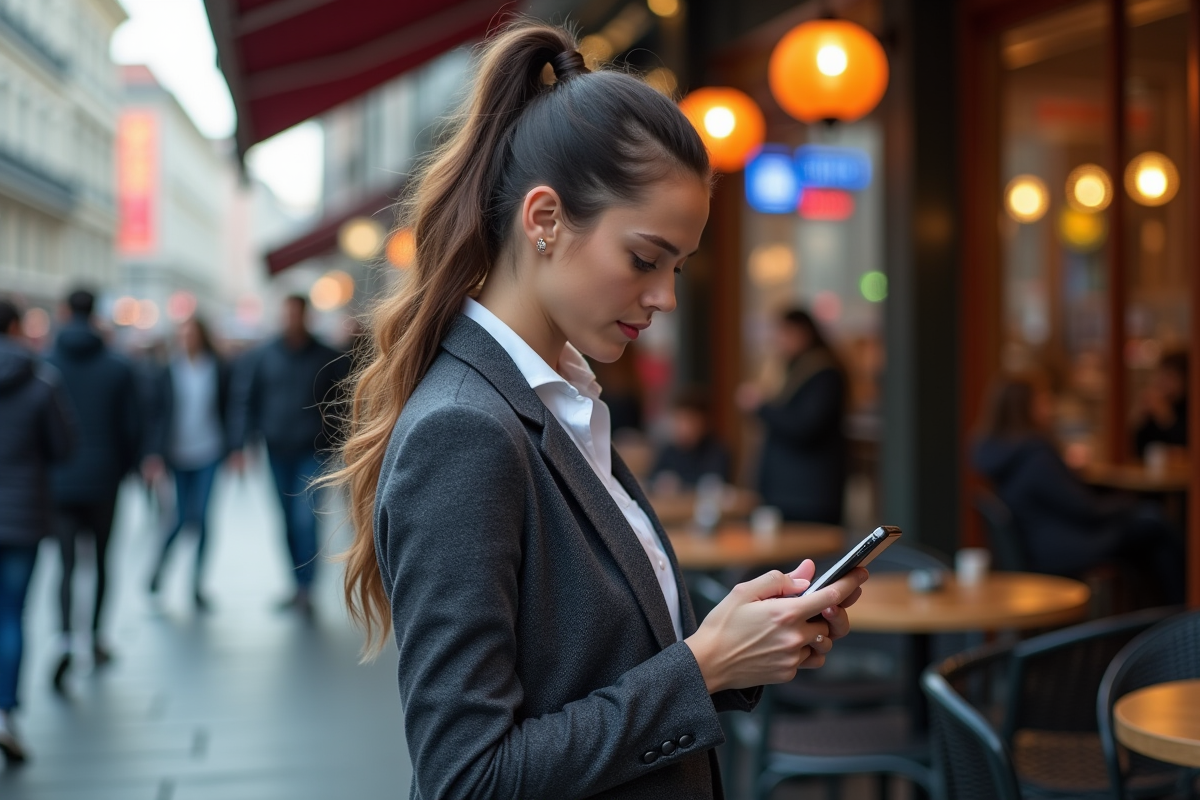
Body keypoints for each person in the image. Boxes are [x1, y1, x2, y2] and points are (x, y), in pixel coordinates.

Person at [328, 23, 868, 797]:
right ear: (544, 219)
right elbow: (468, 777)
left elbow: (595, 668)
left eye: (676, 267)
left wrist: (737, 645)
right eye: (645, 260)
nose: (664, 298)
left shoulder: (562, 400)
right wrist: (704, 663)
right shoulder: (467, 428)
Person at [973, 375, 1184, 602]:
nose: (1049, 405)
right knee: (1153, 520)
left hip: (1039, 544)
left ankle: (1156, 617)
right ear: (1025, 407)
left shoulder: (1004, 453)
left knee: (1146, 527)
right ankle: (1179, 613)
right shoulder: (1035, 455)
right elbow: (1086, 511)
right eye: (1043, 399)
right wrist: (1129, 501)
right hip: (1064, 547)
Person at [228, 295, 349, 616]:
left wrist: (337, 439)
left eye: (297, 314)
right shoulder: (264, 357)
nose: (291, 319)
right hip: (277, 450)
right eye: (287, 313)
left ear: (306, 316)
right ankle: (295, 584)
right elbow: (246, 401)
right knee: (285, 520)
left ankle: (307, 588)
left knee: (304, 518)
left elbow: (345, 401)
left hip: (314, 451)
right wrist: (240, 445)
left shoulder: (326, 357)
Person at [45, 289, 140, 690]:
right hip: (104, 479)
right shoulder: (118, 366)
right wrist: (126, 467)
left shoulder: (46, 363)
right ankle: (97, 637)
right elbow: (132, 426)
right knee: (101, 561)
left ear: (66, 312)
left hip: (60, 482)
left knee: (65, 566)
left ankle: (66, 636)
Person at [0, 300, 74, 762]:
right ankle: (5, 713)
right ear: (14, 327)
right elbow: (64, 445)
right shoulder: (40, 380)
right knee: (11, 614)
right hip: (23, 514)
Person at [143, 317, 232, 610]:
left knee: (203, 518)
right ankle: (159, 569)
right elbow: (156, 414)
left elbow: (228, 406)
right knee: (180, 518)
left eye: (191, 334)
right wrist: (153, 454)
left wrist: (234, 447)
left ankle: (196, 584)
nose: (187, 340)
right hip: (177, 455)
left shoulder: (216, 367)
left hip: (208, 451)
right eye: (182, 335)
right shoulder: (168, 369)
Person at [737, 308, 847, 524]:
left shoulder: (824, 374)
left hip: (809, 497)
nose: (778, 341)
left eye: (784, 333)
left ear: (802, 333)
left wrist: (761, 407)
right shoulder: (793, 369)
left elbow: (805, 426)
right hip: (789, 495)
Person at [650, 390, 731, 490]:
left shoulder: (716, 452)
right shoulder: (669, 451)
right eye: (679, 420)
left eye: (688, 420)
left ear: (703, 422)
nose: (683, 427)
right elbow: (653, 479)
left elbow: (714, 483)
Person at [1132, 351, 1187, 458]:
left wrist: (1165, 416)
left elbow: (1187, 443)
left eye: (1170, 376)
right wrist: (1139, 419)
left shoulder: (1191, 408)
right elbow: (1138, 449)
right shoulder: (1155, 406)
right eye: (1161, 374)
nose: (1162, 381)